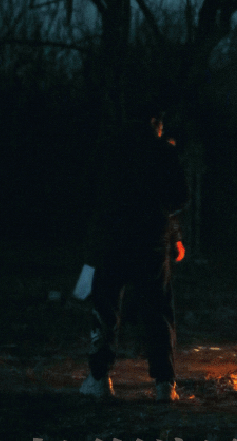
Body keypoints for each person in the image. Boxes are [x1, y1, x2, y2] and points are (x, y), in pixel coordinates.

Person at [79, 113, 189, 401]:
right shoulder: (163, 151)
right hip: (150, 241)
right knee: (157, 309)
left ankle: (98, 378)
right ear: (156, 126)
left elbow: (86, 191)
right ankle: (165, 384)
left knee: (105, 307)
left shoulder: (108, 149)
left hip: (110, 240)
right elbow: (180, 197)